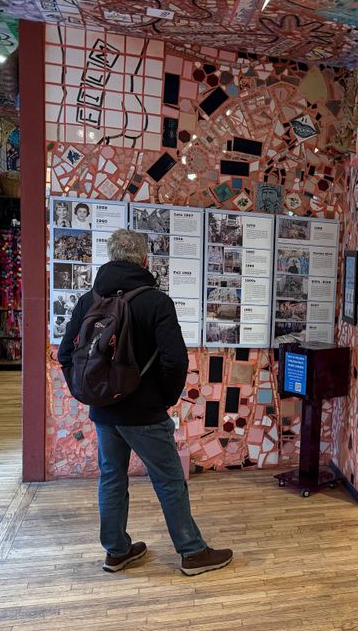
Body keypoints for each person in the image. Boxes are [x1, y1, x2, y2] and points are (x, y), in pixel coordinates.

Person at [58, 229, 233, 576]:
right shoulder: (156, 302)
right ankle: (192, 552)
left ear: (111, 257)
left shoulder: (89, 300)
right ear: (144, 259)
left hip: (104, 411)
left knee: (112, 478)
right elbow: (175, 360)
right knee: (169, 480)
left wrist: (89, 393)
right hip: (145, 412)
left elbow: (66, 355)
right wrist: (162, 400)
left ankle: (117, 551)